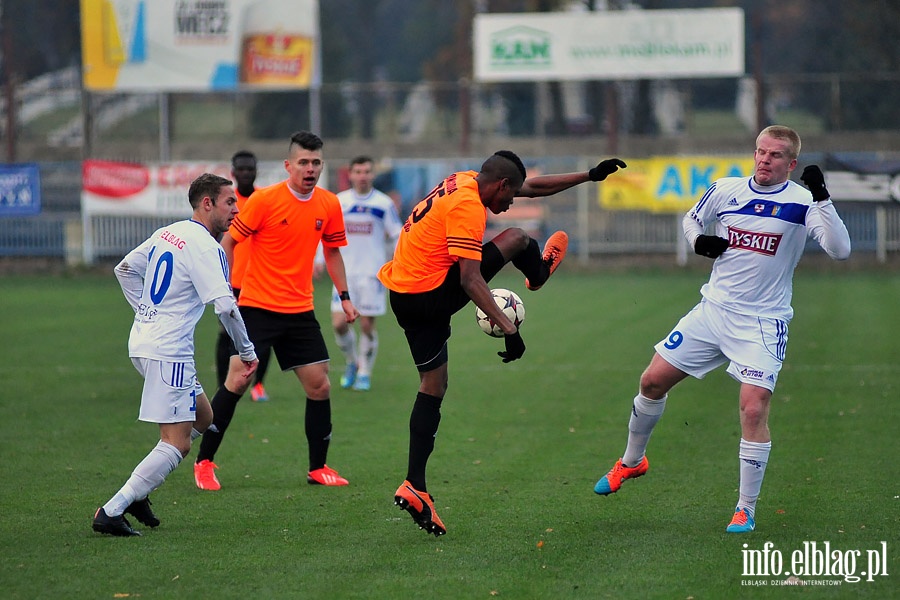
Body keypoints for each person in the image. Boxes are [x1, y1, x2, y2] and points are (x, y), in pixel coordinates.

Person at [593, 125, 851, 534]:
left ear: (791, 163)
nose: (765, 159)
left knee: (752, 407)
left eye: (775, 155)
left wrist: (822, 197)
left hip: (763, 322)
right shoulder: (726, 189)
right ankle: (631, 461)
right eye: (760, 152)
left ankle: (745, 507)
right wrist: (698, 242)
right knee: (652, 381)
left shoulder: (803, 202)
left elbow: (840, 250)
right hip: (713, 311)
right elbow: (692, 219)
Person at [378, 150, 627, 536]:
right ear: (500, 185)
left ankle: (415, 486)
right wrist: (510, 330)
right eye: (509, 197)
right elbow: (470, 280)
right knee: (517, 238)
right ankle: (539, 273)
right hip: (429, 295)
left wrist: (589, 175)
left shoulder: (466, 179)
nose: (511, 203)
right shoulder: (467, 208)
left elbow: (530, 187)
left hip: (404, 295)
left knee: (433, 386)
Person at [93, 173, 258, 536]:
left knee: (204, 416)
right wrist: (247, 352)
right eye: (230, 202)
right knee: (178, 442)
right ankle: (114, 509)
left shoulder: (169, 232)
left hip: (144, 341)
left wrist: (147, 313)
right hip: (169, 350)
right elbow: (226, 307)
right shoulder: (206, 246)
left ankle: (140, 493)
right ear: (207, 203)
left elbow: (125, 269)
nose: (236, 208)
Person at [194, 131, 360, 491]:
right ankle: (204, 462)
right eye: (303, 162)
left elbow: (332, 251)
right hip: (257, 307)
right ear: (288, 165)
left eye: (316, 162)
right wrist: (223, 287)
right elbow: (229, 241)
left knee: (320, 386)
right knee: (238, 380)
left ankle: (318, 468)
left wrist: (344, 296)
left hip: (300, 310)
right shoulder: (265, 201)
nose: (310, 168)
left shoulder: (329, 204)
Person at [331, 155, 403, 392]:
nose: (362, 176)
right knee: (339, 324)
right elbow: (327, 237)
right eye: (358, 171)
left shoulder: (383, 204)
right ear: (350, 174)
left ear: (373, 175)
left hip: (372, 274)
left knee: (367, 327)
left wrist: (398, 261)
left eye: (367, 171)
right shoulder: (339, 202)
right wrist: (320, 260)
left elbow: (398, 235)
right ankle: (352, 362)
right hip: (344, 274)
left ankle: (364, 373)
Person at [214, 150, 273, 402]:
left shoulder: (265, 200)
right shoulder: (226, 202)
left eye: (251, 168)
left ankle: (257, 385)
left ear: (256, 170)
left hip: (261, 280)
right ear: (233, 172)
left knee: (265, 335)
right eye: (242, 169)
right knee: (227, 334)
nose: (247, 173)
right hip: (232, 280)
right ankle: (223, 385)